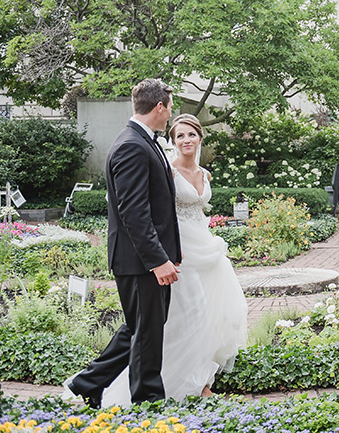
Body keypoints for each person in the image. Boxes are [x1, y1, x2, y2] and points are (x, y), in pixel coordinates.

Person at [86, 113, 248, 406]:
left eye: (191, 134)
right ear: (173, 142)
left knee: (204, 317)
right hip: (175, 253)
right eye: (179, 136)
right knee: (182, 317)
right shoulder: (165, 169)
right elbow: (133, 204)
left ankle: (197, 381)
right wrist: (159, 254)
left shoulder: (204, 173)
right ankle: (176, 386)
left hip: (205, 248)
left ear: (200, 137)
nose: (186, 140)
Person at [67, 78, 181, 408]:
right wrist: (158, 260)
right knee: (146, 332)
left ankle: (88, 383)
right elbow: (133, 213)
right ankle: (147, 402)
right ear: (159, 107)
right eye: (170, 107)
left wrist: (171, 253)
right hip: (139, 260)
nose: (170, 113)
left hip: (141, 258)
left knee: (140, 327)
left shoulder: (143, 140)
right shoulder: (132, 145)